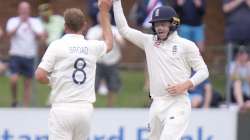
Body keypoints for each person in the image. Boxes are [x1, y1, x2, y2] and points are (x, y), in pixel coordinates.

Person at [111, 0, 209, 139]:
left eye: (163, 24)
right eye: (156, 24)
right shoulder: (149, 42)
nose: (159, 28)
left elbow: (203, 71)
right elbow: (124, 30)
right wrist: (116, 2)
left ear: (173, 23)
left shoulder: (186, 45)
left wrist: (185, 85)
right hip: (156, 104)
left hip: (178, 103)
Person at [35, 1, 113, 139]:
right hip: (85, 109)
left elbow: (40, 75)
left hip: (62, 108)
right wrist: (104, 12)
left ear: (65, 27)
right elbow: (109, 44)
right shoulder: (92, 47)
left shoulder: (57, 45)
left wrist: (52, 82)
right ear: (84, 26)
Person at [6, 1, 44, 107]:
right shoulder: (13, 21)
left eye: (26, 9)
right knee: (14, 79)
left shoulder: (35, 22)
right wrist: (19, 23)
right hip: (16, 55)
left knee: (27, 84)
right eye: (22, 9)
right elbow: (9, 34)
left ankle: (25, 107)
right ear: (19, 10)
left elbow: (40, 36)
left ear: (29, 10)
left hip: (29, 56)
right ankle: (14, 100)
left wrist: (30, 25)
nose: (24, 11)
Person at [86, 12, 125, 107]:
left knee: (113, 85)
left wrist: (114, 38)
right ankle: (91, 106)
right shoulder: (93, 30)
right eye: (102, 17)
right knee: (93, 85)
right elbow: (88, 45)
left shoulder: (115, 30)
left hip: (112, 61)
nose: (103, 19)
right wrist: (101, 36)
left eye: (105, 17)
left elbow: (123, 45)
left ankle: (110, 106)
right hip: (97, 62)